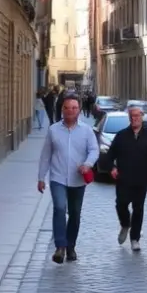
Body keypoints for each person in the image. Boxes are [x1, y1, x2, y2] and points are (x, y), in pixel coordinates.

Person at [37, 95, 100, 264]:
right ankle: (60, 246)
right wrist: (41, 177)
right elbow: (45, 155)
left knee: (75, 213)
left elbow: (94, 150)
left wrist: (88, 164)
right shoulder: (53, 130)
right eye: (67, 108)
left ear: (79, 110)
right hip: (57, 177)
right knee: (59, 207)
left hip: (77, 179)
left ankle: (71, 245)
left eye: (74, 108)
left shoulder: (86, 130)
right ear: (62, 109)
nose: (70, 111)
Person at [100, 105, 147, 251]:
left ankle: (134, 239)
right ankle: (125, 224)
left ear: (142, 117)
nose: (135, 119)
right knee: (121, 204)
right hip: (124, 178)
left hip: (142, 179)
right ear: (129, 118)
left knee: (138, 209)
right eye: (132, 116)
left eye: (137, 116)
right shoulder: (121, 136)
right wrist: (112, 168)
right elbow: (109, 156)